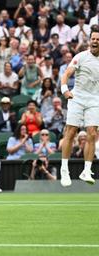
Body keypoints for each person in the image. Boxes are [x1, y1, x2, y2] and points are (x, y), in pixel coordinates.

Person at [60, 30, 99, 187]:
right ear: (90, 41)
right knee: (71, 132)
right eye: (93, 38)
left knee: (92, 133)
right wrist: (65, 90)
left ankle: (86, 171)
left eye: (98, 39)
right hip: (76, 97)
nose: (95, 41)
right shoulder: (81, 56)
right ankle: (64, 170)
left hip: (95, 99)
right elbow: (66, 74)